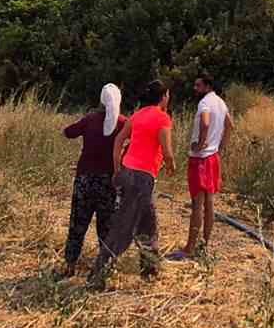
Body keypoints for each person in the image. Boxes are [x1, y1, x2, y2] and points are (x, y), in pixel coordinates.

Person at [87, 80, 175, 290]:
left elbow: (118, 141)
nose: (168, 98)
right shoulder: (162, 117)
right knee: (124, 229)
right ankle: (97, 274)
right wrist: (171, 163)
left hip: (128, 172)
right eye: (168, 95)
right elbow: (167, 148)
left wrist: (118, 169)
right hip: (141, 179)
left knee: (148, 223)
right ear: (163, 97)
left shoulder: (136, 116)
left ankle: (150, 269)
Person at [58, 83, 127, 278]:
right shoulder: (123, 123)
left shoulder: (90, 119)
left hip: (85, 180)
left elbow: (68, 132)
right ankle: (105, 268)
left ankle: (70, 265)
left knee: (78, 224)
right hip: (110, 182)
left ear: (101, 101)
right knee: (107, 227)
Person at [173, 74, 233, 261]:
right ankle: (204, 245)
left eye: (198, 85)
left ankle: (190, 248)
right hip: (213, 157)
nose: (195, 88)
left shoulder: (204, 103)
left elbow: (205, 122)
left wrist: (201, 143)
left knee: (197, 205)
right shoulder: (221, 103)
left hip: (200, 160)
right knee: (210, 204)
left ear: (207, 86)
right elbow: (230, 125)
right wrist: (220, 147)